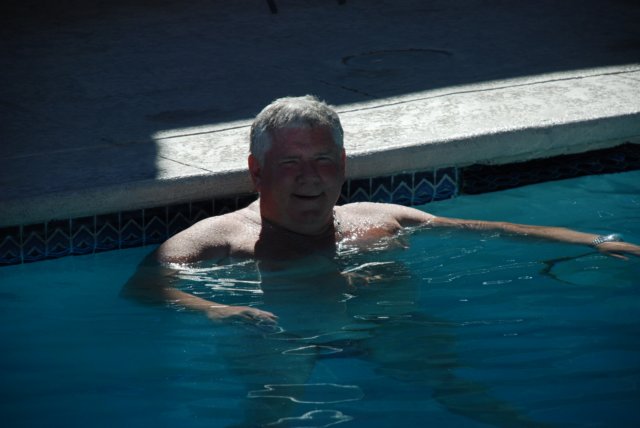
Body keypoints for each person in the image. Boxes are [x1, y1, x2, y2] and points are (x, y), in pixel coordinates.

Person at [124, 95, 640, 427]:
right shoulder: (222, 237)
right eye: (290, 163)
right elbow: (145, 285)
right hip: (282, 337)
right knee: (273, 407)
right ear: (257, 171)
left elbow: (492, 229)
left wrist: (594, 240)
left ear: (342, 164)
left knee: (455, 385)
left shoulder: (378, 218)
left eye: (322, 160)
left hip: (385, 327)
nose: (310, 177)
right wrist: (217, 310)